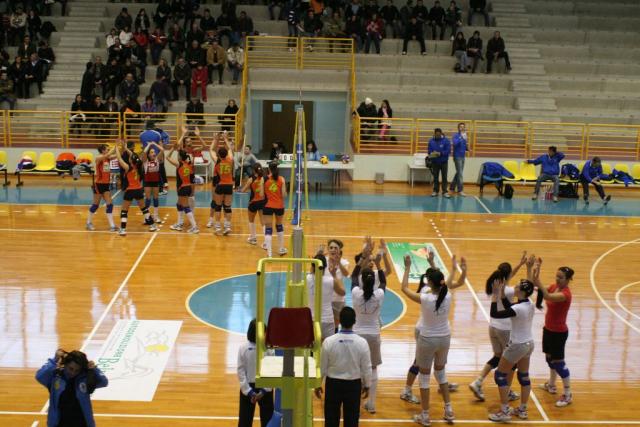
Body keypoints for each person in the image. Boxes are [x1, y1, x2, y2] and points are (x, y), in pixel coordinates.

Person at [401, 254, 467, 425]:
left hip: (427, 339)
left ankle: (425, 415)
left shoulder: (425, 297)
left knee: (424, 377)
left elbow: (404, 288)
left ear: (429, 282)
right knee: (441, 373)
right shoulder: (448, 295)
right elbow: (445, 282)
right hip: (444, 338)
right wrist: (454, 268)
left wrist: (407, 267)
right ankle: (449, 410)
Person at [468, 254, 527, 402]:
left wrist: (519, 264)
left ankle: (478, 381)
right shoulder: (509, 291)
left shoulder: (496, 286)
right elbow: (520, 288)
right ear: (507, 276)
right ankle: (507, 390)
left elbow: (509, 276)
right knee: (511, 361)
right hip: (505, 329)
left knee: (497, 356)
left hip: (493, 326)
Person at [487, 261, 541, 422]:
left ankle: (504, 411)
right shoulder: (529, 304)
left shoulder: (518, 308)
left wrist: (495, 296)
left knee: (500, 376)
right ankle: (523, 410)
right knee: (523, 376)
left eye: (517, 286)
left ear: (522, 292)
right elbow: (510, 307)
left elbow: (495, 314)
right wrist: (503, 296)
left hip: (517, 345)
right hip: (529, 344)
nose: (515, 287)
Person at [314, 307, 372, 427]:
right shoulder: (362, 343)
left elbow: (322, 366)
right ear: (354, 321)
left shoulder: (329, 341)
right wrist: (367, 385)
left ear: (339, 321)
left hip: (333, 385)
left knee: (331, 421)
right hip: (353, 385)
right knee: (352, 421)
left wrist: (318, 384)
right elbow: (366, 367)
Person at [350, 238, 387, 414]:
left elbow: (353, 277)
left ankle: (355, 402)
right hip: (373, 335)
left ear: (362, 281)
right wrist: (378, 264)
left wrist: (361, 259)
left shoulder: (356, 293)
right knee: (373, 368)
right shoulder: (379, 294)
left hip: (357, 335)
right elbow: (384, 282)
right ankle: (371, 404)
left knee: (357, 369)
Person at [533, 260, 574, 408]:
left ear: (568, 280)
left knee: (559, 363)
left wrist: (538, 283)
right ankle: (551, 385)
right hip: (548, 330)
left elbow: (548, 297)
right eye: (557, 276)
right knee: (549, 359)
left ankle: (568, 394)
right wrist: (535, 270)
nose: (557, 279)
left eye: (561, 277)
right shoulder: (554, 287)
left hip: (558, 333)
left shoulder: (565, 294)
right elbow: (538, 286)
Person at [36, 349, 108, 427]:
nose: (73, 373)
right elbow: (40, 376)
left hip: (82, 423)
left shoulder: (85, 378)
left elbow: (104, 382)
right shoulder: (55, 377)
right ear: (65, 364)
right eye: (71, 368)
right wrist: (54, 360)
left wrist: (94, 368)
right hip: (58, 423)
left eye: (77, 370)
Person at [237, 319, 275, 427]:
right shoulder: (243, 348)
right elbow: (241, 371)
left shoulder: (268, 349)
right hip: (251, 388)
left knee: (268, 422)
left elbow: (272, 371)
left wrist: (263, 391)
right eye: (264, 332)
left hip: (263, 388)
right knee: (245, 422)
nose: (266, 334)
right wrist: (249, 391)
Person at [115, 141, 158, 236]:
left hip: (130, 190)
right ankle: (152, 225)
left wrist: (116, 147)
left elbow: (119, 158)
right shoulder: (139, 166)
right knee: (144, 208)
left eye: (130, 158)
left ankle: (123, 229)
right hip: (138, 189)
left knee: (124, 210)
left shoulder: (127, 167)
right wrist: (126, 148)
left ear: (130, 160)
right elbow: (135, 156)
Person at [308, 252, 346, 340]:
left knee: (313, 346)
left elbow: (312, 272)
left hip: (311, 319)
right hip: (327, 319)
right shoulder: (331, 280)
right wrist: (334, 275)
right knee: (328, 346)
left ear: (312, 266)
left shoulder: (307, 279)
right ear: (325, 267)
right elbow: (342, 292)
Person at [166, 138, 199, 234]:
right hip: (188, 187)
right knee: (179, 204)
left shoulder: (179, 164)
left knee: (186, 206)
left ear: (180, 157)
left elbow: (167, 157)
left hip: (183, 188)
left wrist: (173, 148)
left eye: (179, 155)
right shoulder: (189, 165)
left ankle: (194, 227)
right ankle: (179, 223)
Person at [208, 133, 235, 235]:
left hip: (220, 185)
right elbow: (230, 149)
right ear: (226, 154)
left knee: (218, 206)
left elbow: (211, 150)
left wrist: (215, 139)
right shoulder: (230, 160)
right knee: (227, 207)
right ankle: (227, 227)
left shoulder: (217, 161)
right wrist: (225, 139)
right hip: (229, 185)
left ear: (219, 155)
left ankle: (218, 227)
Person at [86, 144, 117, 231]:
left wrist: (121, 147)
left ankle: (112, 226)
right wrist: (114, 148)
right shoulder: (98, 158)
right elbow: (108, 155)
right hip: (98, 184)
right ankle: (88, 223)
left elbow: (117, 155)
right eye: (107, 149)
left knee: (110, 204)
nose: (108, 150)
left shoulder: (108, 158)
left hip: (106, 184)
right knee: (95, 205)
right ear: (103, 151)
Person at [263, 161, 287, 257]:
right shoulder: (281, 179)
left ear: (268, 169)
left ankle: (269, 254)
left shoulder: (264, 179)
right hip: (279, 206)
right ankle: (281, 249)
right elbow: (284, 195)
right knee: (279, 225)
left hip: (268, 205)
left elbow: (261, 194)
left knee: (268, 229)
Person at [241, 163, 266, 245]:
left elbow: (243, 190)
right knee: (263, 222)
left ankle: (253, 238)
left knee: (251, 220)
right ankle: (266, 242)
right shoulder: (264, 178)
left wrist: (245, 188)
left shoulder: (251, 179)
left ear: (253, 170)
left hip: (253, 202)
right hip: (262, 201)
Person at [142, 142, 164, 224]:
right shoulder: (145, 161)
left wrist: (154, 144)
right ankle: (146, 217)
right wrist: (148, 145)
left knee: (155, 198)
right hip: (147, 182)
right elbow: (144, 152)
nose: (154, 153)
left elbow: (162, 150)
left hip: (155, 181)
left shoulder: (157, 159)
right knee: (148, 199)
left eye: (154, 152)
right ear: (148, 155)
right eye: (151, 152)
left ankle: (156, 216)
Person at [428, 128, 451, 198]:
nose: (437, 136)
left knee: (444, 177)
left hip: (444, 162)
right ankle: (435, 191)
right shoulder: (431, 141)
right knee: (435, 177)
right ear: (434, 134)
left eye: (439, 134)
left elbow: (448, 151)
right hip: (435, 162)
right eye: (436, 134)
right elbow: (429, 151)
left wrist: (440, 153)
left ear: (441, 134)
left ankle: (445, 192)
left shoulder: (446, 141)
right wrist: (432, 153)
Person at [450, 122, 468, 195]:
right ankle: (460, 190)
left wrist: (467, 148)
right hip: (457, 156)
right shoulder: (456, 135)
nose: (462, 128)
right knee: (460, 173)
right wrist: (461, 137)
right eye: (461, 127)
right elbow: (454, 143)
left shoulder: (465, 135)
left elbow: (464, 145)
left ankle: (452, 187)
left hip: (463, 156)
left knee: (459, 172)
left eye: (463, 127)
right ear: (458, 128)